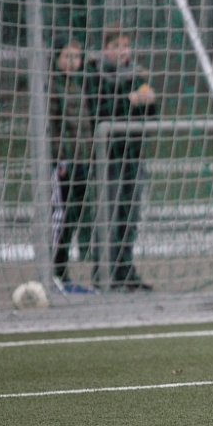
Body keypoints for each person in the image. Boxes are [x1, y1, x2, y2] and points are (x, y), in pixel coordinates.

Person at [86, 21, 157, 291]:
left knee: (131, 214)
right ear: (105, 49)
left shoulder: (137, 76)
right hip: (107, 156)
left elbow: (149, 118)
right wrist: (128, 100)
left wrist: (149, 102)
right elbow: (98, 111)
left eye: (126, 45)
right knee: (109, 214)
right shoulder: (94, 74)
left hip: (133, 154)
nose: (123, 50)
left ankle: (126, 270)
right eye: (117, 46)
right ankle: (103, 272)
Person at [48, 36, 98, 295]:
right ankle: (52, 274)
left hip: (81, 162)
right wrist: (59, 159)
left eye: (76, 57)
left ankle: (62, 274)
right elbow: (51, 127)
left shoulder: (79, 84)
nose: (72, 61)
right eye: (67, 56)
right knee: (60, 217)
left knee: (73, 218)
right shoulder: (51, 86)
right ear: (57, 58)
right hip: (63, 164)